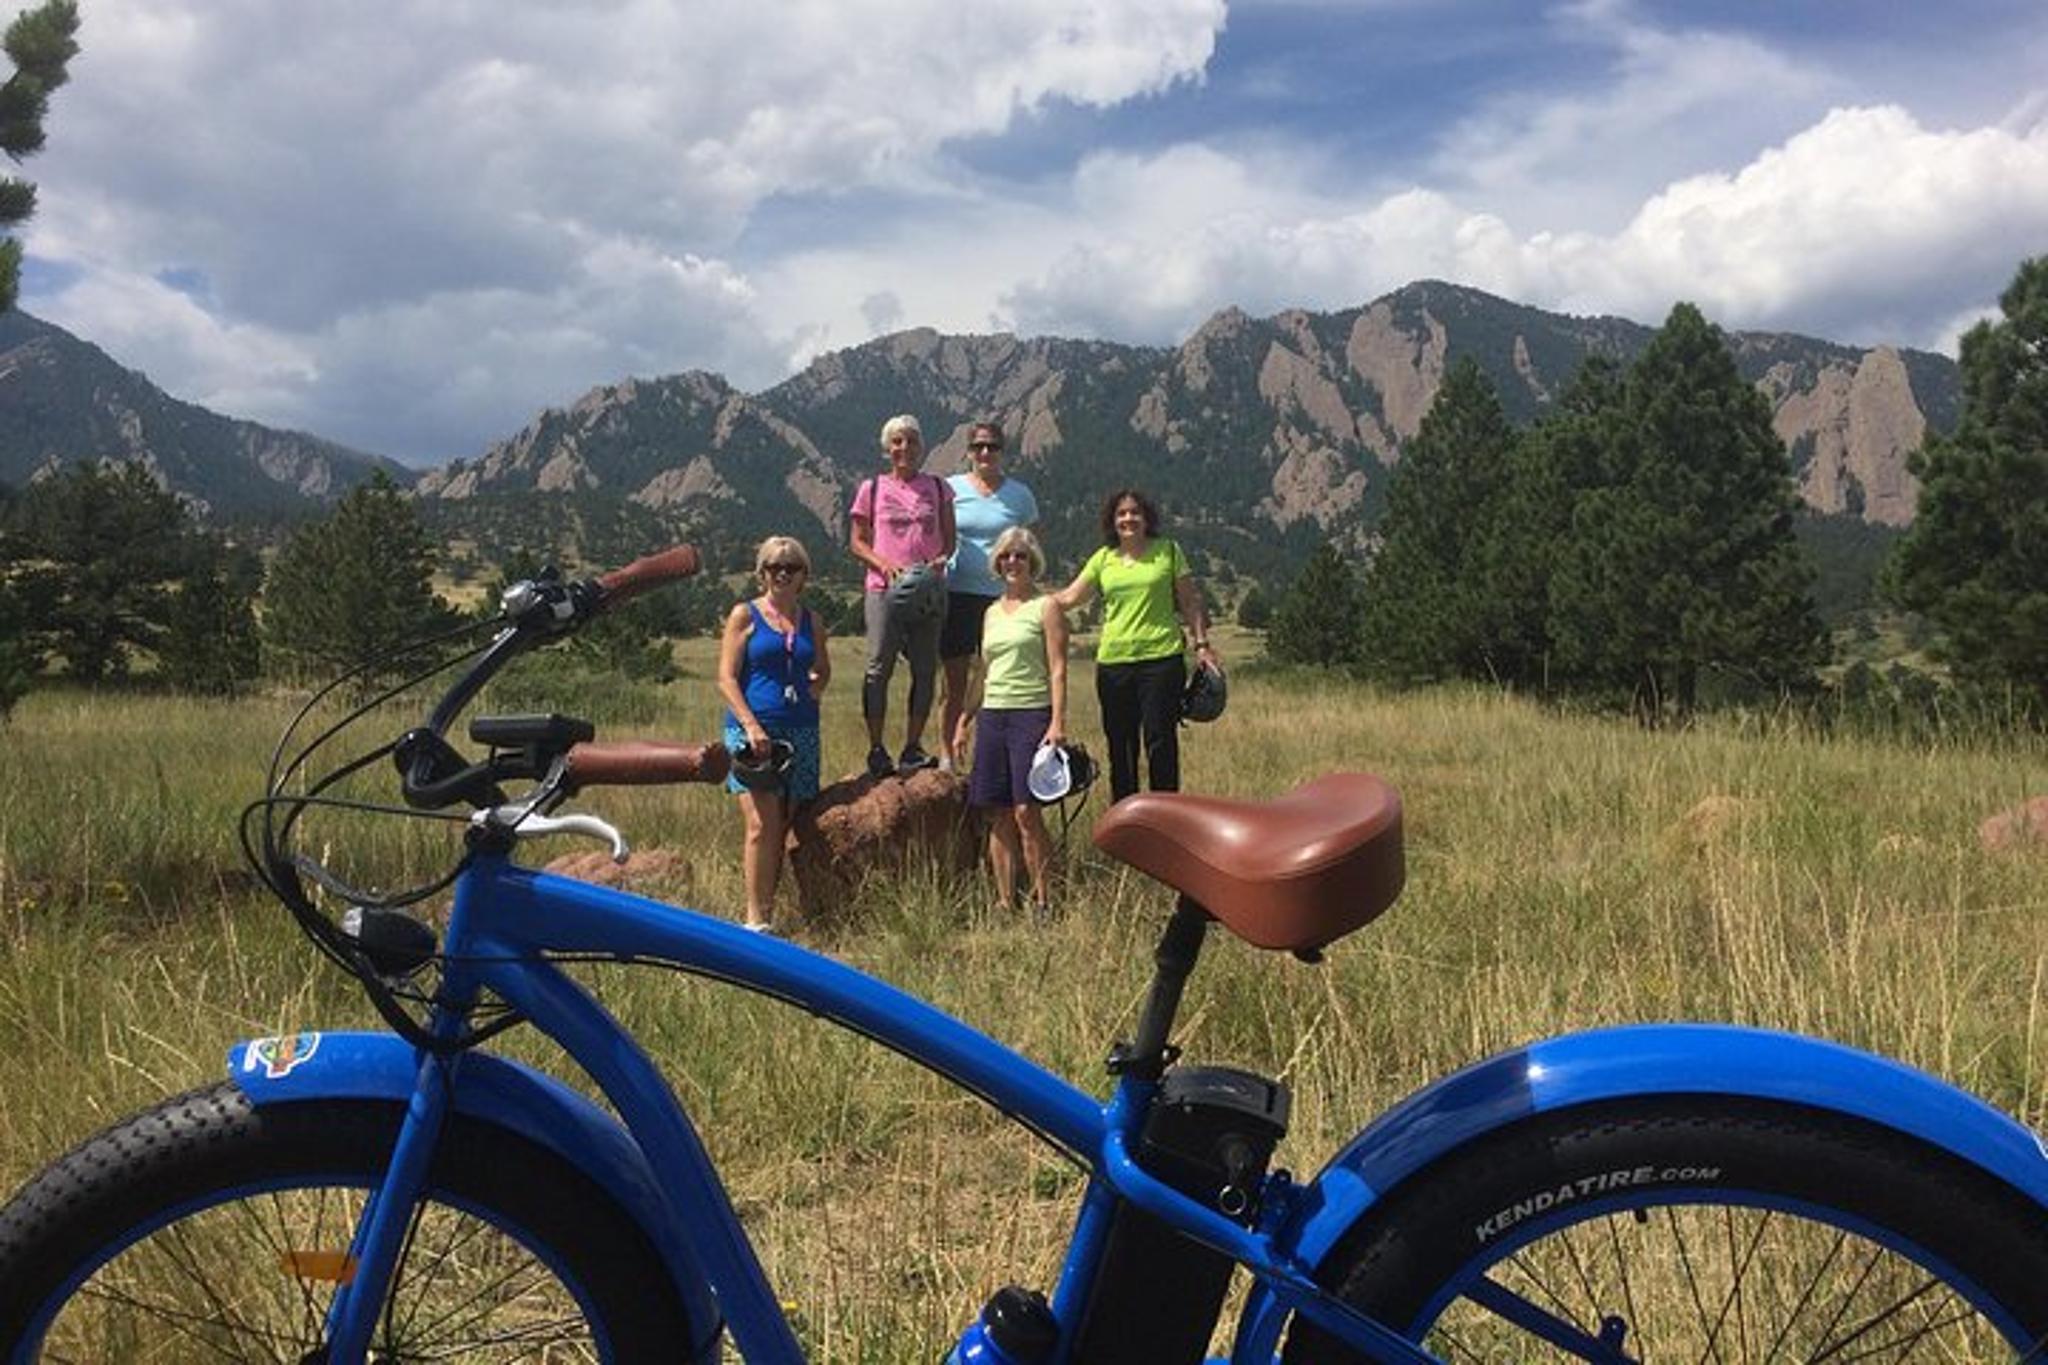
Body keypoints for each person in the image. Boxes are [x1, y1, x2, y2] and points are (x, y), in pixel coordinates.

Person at [1054, 488, 1219, 803]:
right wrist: (1027, 602)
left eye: (1134, 512)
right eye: (1121, 513)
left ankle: (1165, 817)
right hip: (1114, 665)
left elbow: (1189, 601)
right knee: (1120, 744)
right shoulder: (1103, 559)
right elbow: (1069, 598)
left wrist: (1202, 645)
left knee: (1160, 742)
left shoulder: (1168, 551)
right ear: (1112, 521)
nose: (1128, 518)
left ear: (1146, 519)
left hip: (1162, 661)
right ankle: (1126, 822)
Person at [716, 536, 830, 933]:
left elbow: (823, 669)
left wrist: (812, 690)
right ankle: (755, 920)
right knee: (761, 823)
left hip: (801, 728)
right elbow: (726, 678)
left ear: (804, 576)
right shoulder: (744, 616)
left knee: (785, 824)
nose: (782, 574)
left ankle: (771, 906)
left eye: (791, 567)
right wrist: (750, 724)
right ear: (761, 573)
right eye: (773, 567)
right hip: (751, 730)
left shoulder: (811, 620)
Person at [849, 414, 955, 778]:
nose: (904, 448)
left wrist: (940, 561)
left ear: (921, 447)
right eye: (897, 441)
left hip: (928, 591)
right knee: (879, 668)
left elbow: (950, 538)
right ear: (887, 448)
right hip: (883, 590)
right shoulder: (872, 489)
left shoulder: (939, 489)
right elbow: (857, 541)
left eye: (911, 440)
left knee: (926, 670)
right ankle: (877, 749)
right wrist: (883, 564)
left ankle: (912, 748)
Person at [966, 527, 1066, 912]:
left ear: (1032, 562)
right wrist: (965, 718)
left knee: (1027, 811)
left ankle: (1044, 901)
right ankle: (1005, 902)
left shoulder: (1047, 607)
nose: (1012, 562)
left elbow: (1057, 669)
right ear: (997, 561)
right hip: (993, 714)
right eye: (1006, 555)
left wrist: (1057, 722)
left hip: (1031, 713)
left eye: (1020, 556)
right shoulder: (990, 613)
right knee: (998, 812)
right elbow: (983, 670)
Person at [941, 419, 1039, 773]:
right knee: (953, 684)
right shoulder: (949, 490)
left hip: (1001, 601)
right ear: (968, 451)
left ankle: (987, 755)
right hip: (956, 595)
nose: (985, 452)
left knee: (994, 682)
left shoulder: (1020, 496)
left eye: (992, 446)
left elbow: (1030, 547)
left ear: (1002, 451)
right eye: (978, 446)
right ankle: (947, 760)